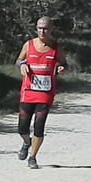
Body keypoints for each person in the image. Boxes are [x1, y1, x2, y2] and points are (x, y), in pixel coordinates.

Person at [15, 16, 67, 169]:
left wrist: (61, 68)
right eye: (39, 28)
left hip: (45, 93)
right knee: (22, 127)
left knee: (39, 125)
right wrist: (22, 64)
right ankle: (26, 142)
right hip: (28, 91)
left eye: (45, 28)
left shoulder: (55, 48)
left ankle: (33, 157)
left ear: (51, 30)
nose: (42, 31)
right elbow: (18, 59)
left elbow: (64, 63)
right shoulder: (29, 45)